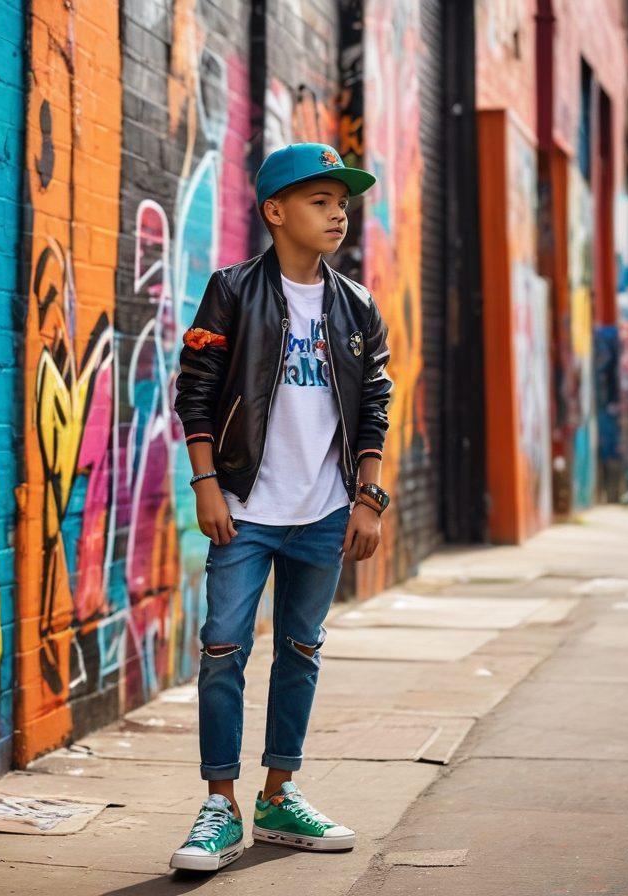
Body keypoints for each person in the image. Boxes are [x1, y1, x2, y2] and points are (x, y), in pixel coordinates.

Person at [168, 142, 394, 872]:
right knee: (224, 650)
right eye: (320, 201)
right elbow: (195, 391)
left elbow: (374, 407)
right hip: (245, 508)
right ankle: (218, 806)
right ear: (276, 211)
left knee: (301, 651)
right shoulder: (232, 290)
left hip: (325, 512)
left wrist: (367, 498)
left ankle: (278, 793)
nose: (338, 214)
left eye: (343, 202)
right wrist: (206, 486)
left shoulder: (356, 305)